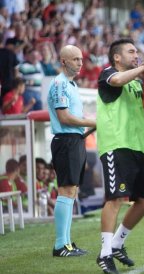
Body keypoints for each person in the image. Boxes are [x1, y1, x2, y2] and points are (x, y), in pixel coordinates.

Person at [96, 38, 144, 274]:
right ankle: (104, 254)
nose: (136, 55)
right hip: (117, 145)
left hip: (137, 146)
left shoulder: (136, 84)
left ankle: (117, 243)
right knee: (115, 199)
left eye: (137, 52)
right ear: (117, 57)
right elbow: (119, 80)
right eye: (131, 51)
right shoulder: (108, 74)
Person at [47, 45, 96, 257]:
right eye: (75, 59)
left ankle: (66, 243)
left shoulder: (72, 84)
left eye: (81, 59)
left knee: (72, 191)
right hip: (66, 141)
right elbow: (64, 118)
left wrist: (89, 126)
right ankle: (60, 245)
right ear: (64, 61)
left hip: (75, 140)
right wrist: (90, 121)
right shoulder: (59, 84)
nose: (80, 62)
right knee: (66, 190)